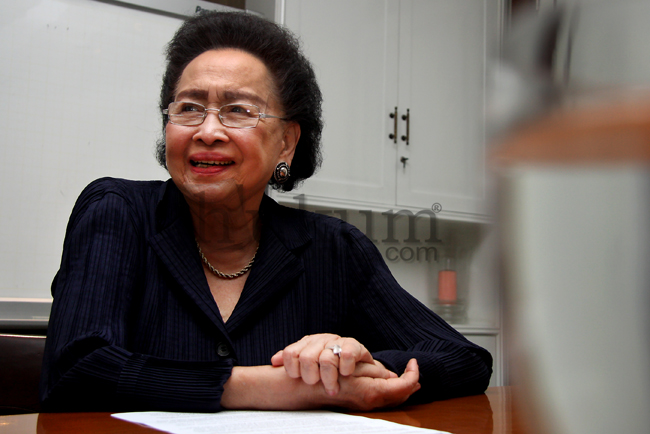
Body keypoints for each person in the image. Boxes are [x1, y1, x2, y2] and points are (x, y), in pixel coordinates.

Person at [40, 11, 492, 412]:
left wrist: (351, 365)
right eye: (189, 108)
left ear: (287, 143)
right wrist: (276, 387)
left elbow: (464, 358)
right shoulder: (117, 211)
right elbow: (75, 371)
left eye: (238, 110)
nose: (208, 130)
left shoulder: (334, 249)